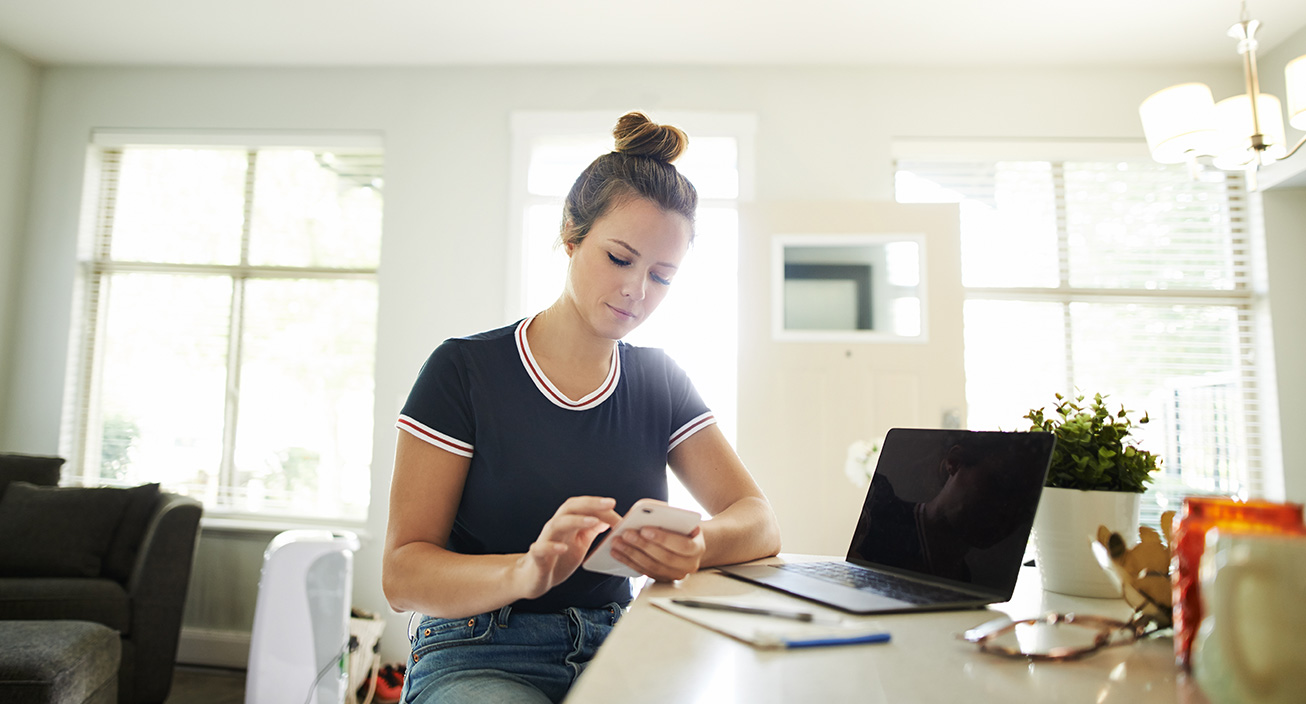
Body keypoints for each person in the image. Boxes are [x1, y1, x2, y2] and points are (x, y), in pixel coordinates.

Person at [382, 112, 782, 704]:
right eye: (620, 259)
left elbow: (758, 519)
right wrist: (526, 571)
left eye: (663, 276)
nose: (636, 291)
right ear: (571, 236)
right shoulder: (464, 371)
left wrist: (697, 544)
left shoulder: (660, 380)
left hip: (621, 642)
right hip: (479, 649)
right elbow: (402, 574)